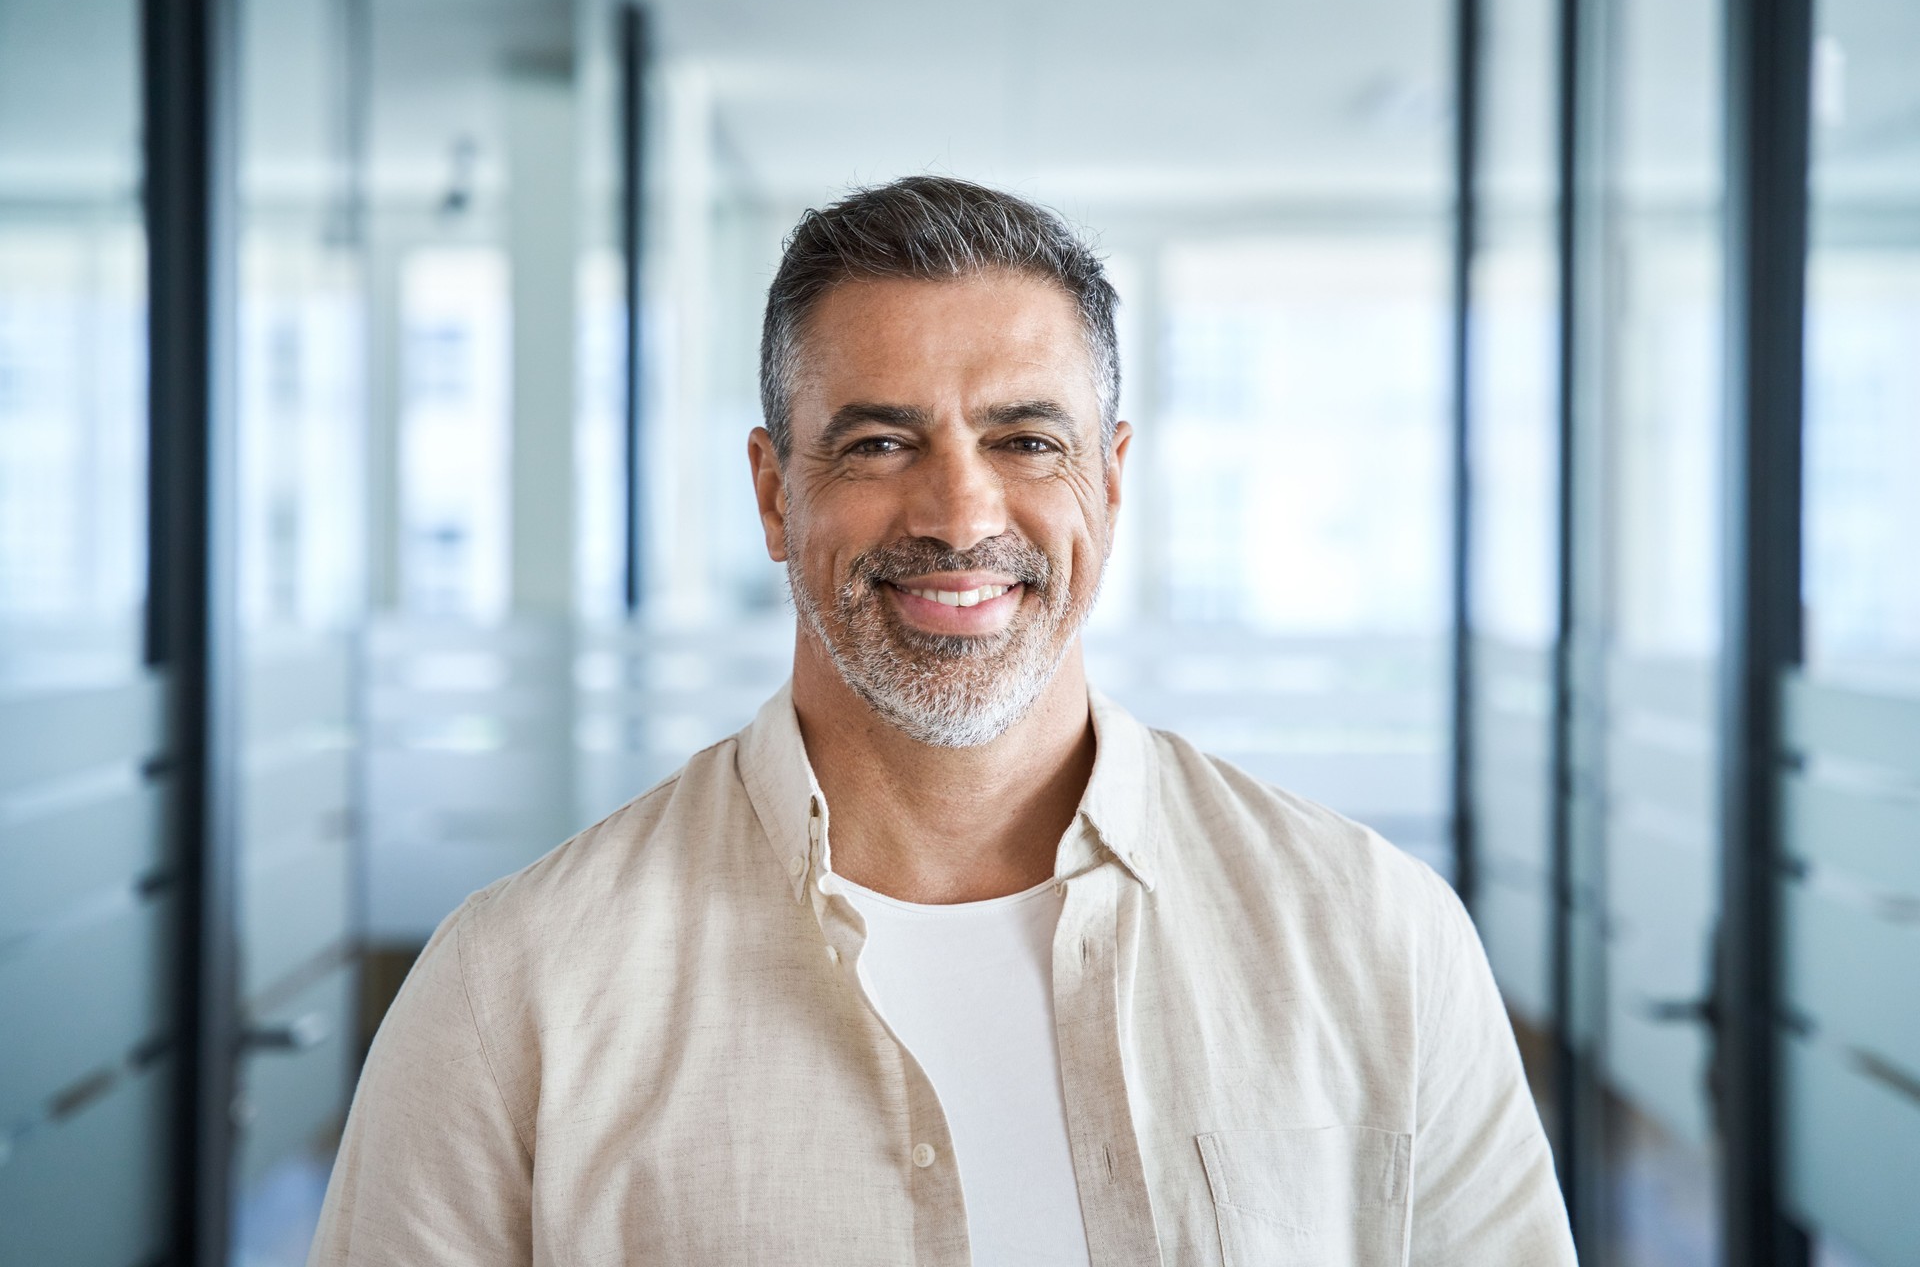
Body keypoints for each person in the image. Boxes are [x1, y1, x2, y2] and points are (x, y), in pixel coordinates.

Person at [308, 176, 1576, 1266]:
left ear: (1113, 482)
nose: (960, 512)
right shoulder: (515, 989)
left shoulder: (1375, 937)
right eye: (876, 443)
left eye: (1027, 439)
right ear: (771, 491)